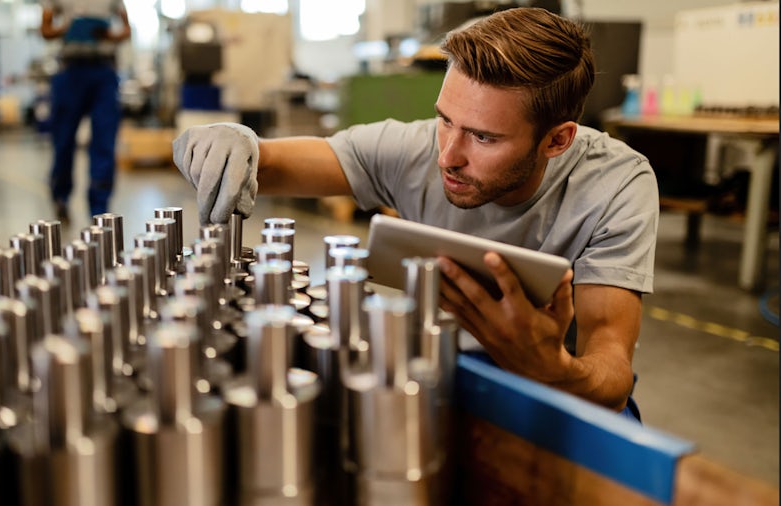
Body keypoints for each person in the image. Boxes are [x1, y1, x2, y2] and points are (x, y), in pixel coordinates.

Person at [172, 7, 658, 420]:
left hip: (565, 390)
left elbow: (612, 373)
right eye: (445, 119)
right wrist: (228, 142)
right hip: (447, 365)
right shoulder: (413, 148)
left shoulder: (615, 185)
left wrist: (552, 369)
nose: (447, 155)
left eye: (484, 137)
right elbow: (273, 163)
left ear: (557, 140)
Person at [40, 0, 131, 221]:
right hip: (70, 72)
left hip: (104, 74)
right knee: (63, 141)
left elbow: (126, 29)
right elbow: (45, 29)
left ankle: (99, 207)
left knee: (104, 142)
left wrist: (108, 35)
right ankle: (60, 195)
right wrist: (67, 29)